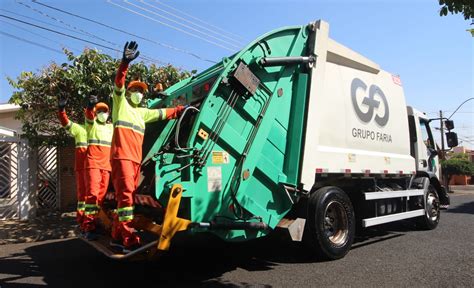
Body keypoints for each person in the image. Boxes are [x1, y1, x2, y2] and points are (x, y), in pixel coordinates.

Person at [110, 41, 185, 252]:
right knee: (125, 200)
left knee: (126, 199)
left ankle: (116, 234)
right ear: (129, 92)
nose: (139, 93)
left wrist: (181, 109)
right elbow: (118, 84)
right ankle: (127, 237)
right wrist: (125, 62)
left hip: (134, 161)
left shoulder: (142, 113)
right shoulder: (120, 105)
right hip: (122, 158)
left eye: (141, 91)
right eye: (135, 90)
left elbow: (163, 113)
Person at [81, 95, 114, 240]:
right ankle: (87, 227)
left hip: (106, 167)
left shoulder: (111, 127)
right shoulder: (91, 124)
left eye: (105, 111)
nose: (102, 113)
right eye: (99, 111)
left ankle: (94, 224)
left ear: (108, 113)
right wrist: (89, 106)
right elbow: (88, 116)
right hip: (93, 165)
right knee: (93, 195)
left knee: (100, 198)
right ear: (96, 112)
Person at [57, 98, 87, 231]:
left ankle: (94, 222)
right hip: (83, 168)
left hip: (99, 167)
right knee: (83, 197)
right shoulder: (80, 129)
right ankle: (83, 222)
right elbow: (66, 123)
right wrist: (62, 110)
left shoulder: (105, 129)